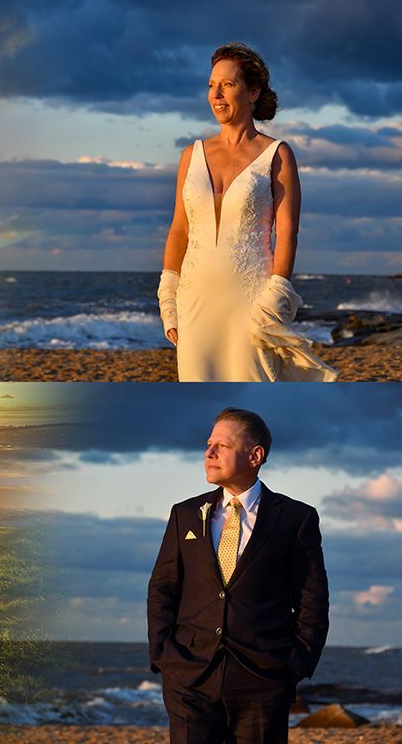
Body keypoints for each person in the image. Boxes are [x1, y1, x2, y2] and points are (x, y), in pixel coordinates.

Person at [147, 408, 329, 743]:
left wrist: (295, 664)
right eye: (208, 444)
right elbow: (162, 588)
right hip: (189, 677)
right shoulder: (184, 514)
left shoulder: (295, 518)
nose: (209, 452)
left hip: (263, 678)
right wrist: (164, 655)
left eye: (222, 445)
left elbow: (312, 597)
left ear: (255, 455)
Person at [156, 43, 336, 381]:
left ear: (252, 92)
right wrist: (168, 297)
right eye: (211, 85)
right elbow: (179, 229)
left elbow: (287, 231)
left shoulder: (277, 154)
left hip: (252, 302)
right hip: (193, 301)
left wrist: (275, 297)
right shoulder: (190, 156)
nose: (216, 94)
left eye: (227, 84)